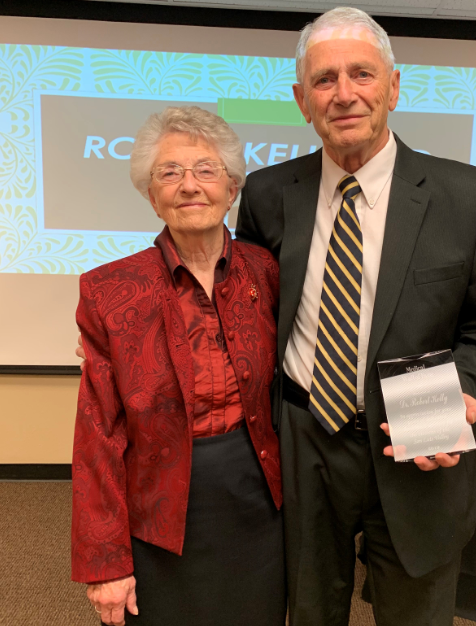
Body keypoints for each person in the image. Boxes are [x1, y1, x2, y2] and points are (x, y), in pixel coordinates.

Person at [234, 7, 476, 626]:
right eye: (324, 80)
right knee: (310, 610)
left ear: (392, 85)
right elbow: (243, 311)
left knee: (415, 613)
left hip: (417, 437)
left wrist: (463, 397)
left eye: (361, 74)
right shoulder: (265, 194)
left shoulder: (468, 196)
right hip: (305, 437)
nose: (344, 94)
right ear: (301, 99)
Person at [71, 106, 286, 626]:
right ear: (151, 195)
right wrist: (106, 563)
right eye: (170, 173)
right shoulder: (109, 291)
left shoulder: (267, 270)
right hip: (158, 507)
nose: (189, 186)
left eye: (206, 170)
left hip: (258, 498)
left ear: (232, 188)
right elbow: (98, 432)